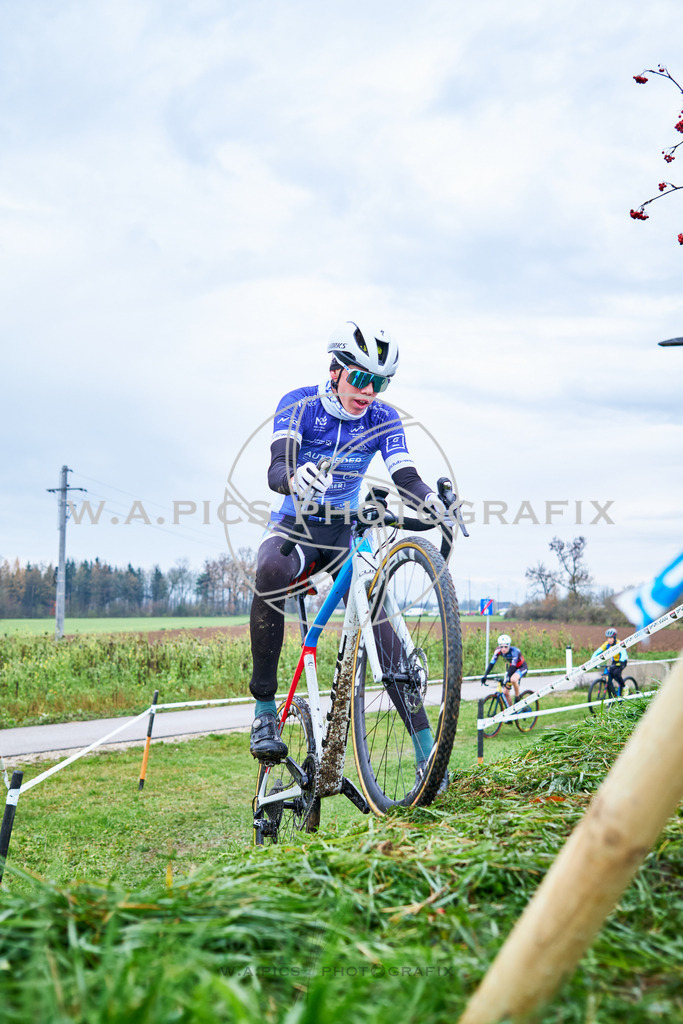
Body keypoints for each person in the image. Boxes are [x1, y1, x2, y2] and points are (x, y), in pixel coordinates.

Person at [248, 320, 447, 781]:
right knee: (269, 571)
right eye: (360, 378)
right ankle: (263, 708)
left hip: (345, 531)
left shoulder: (384, 418)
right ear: (335, 370)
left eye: (380, 382)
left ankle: (426, 754)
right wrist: (295, 478)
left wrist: (431, 502)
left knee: (379, 616)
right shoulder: (299, 404)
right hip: (297, 526)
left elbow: (406, 477)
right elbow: (278, 466)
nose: (369, 391)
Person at [480, 634, 529, 704]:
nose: (503, 649)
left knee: (513, 679)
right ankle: (512, 710)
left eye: (506, 647)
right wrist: (485, 675)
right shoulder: (498, 651)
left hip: (521, 667)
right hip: (512, 668)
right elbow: (492, 663)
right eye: (501, 647)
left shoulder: (515, 651)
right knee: (505, 692)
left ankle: (517, 697)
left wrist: (507, 677)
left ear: (509, 646)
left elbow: (513, 666)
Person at [592, 628, 628, 697]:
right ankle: (613, 695)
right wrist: (592, 661)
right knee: (609, 677)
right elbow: (597, 652)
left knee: (616, 673)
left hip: (622, 661)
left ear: (614, 637)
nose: (609, 640)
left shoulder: (619, 643)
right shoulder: (607, 644)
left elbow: (623, 653)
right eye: (608, 638)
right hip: (614, 662)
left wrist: (620, 661)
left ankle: (624, 687)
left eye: (611, 638)